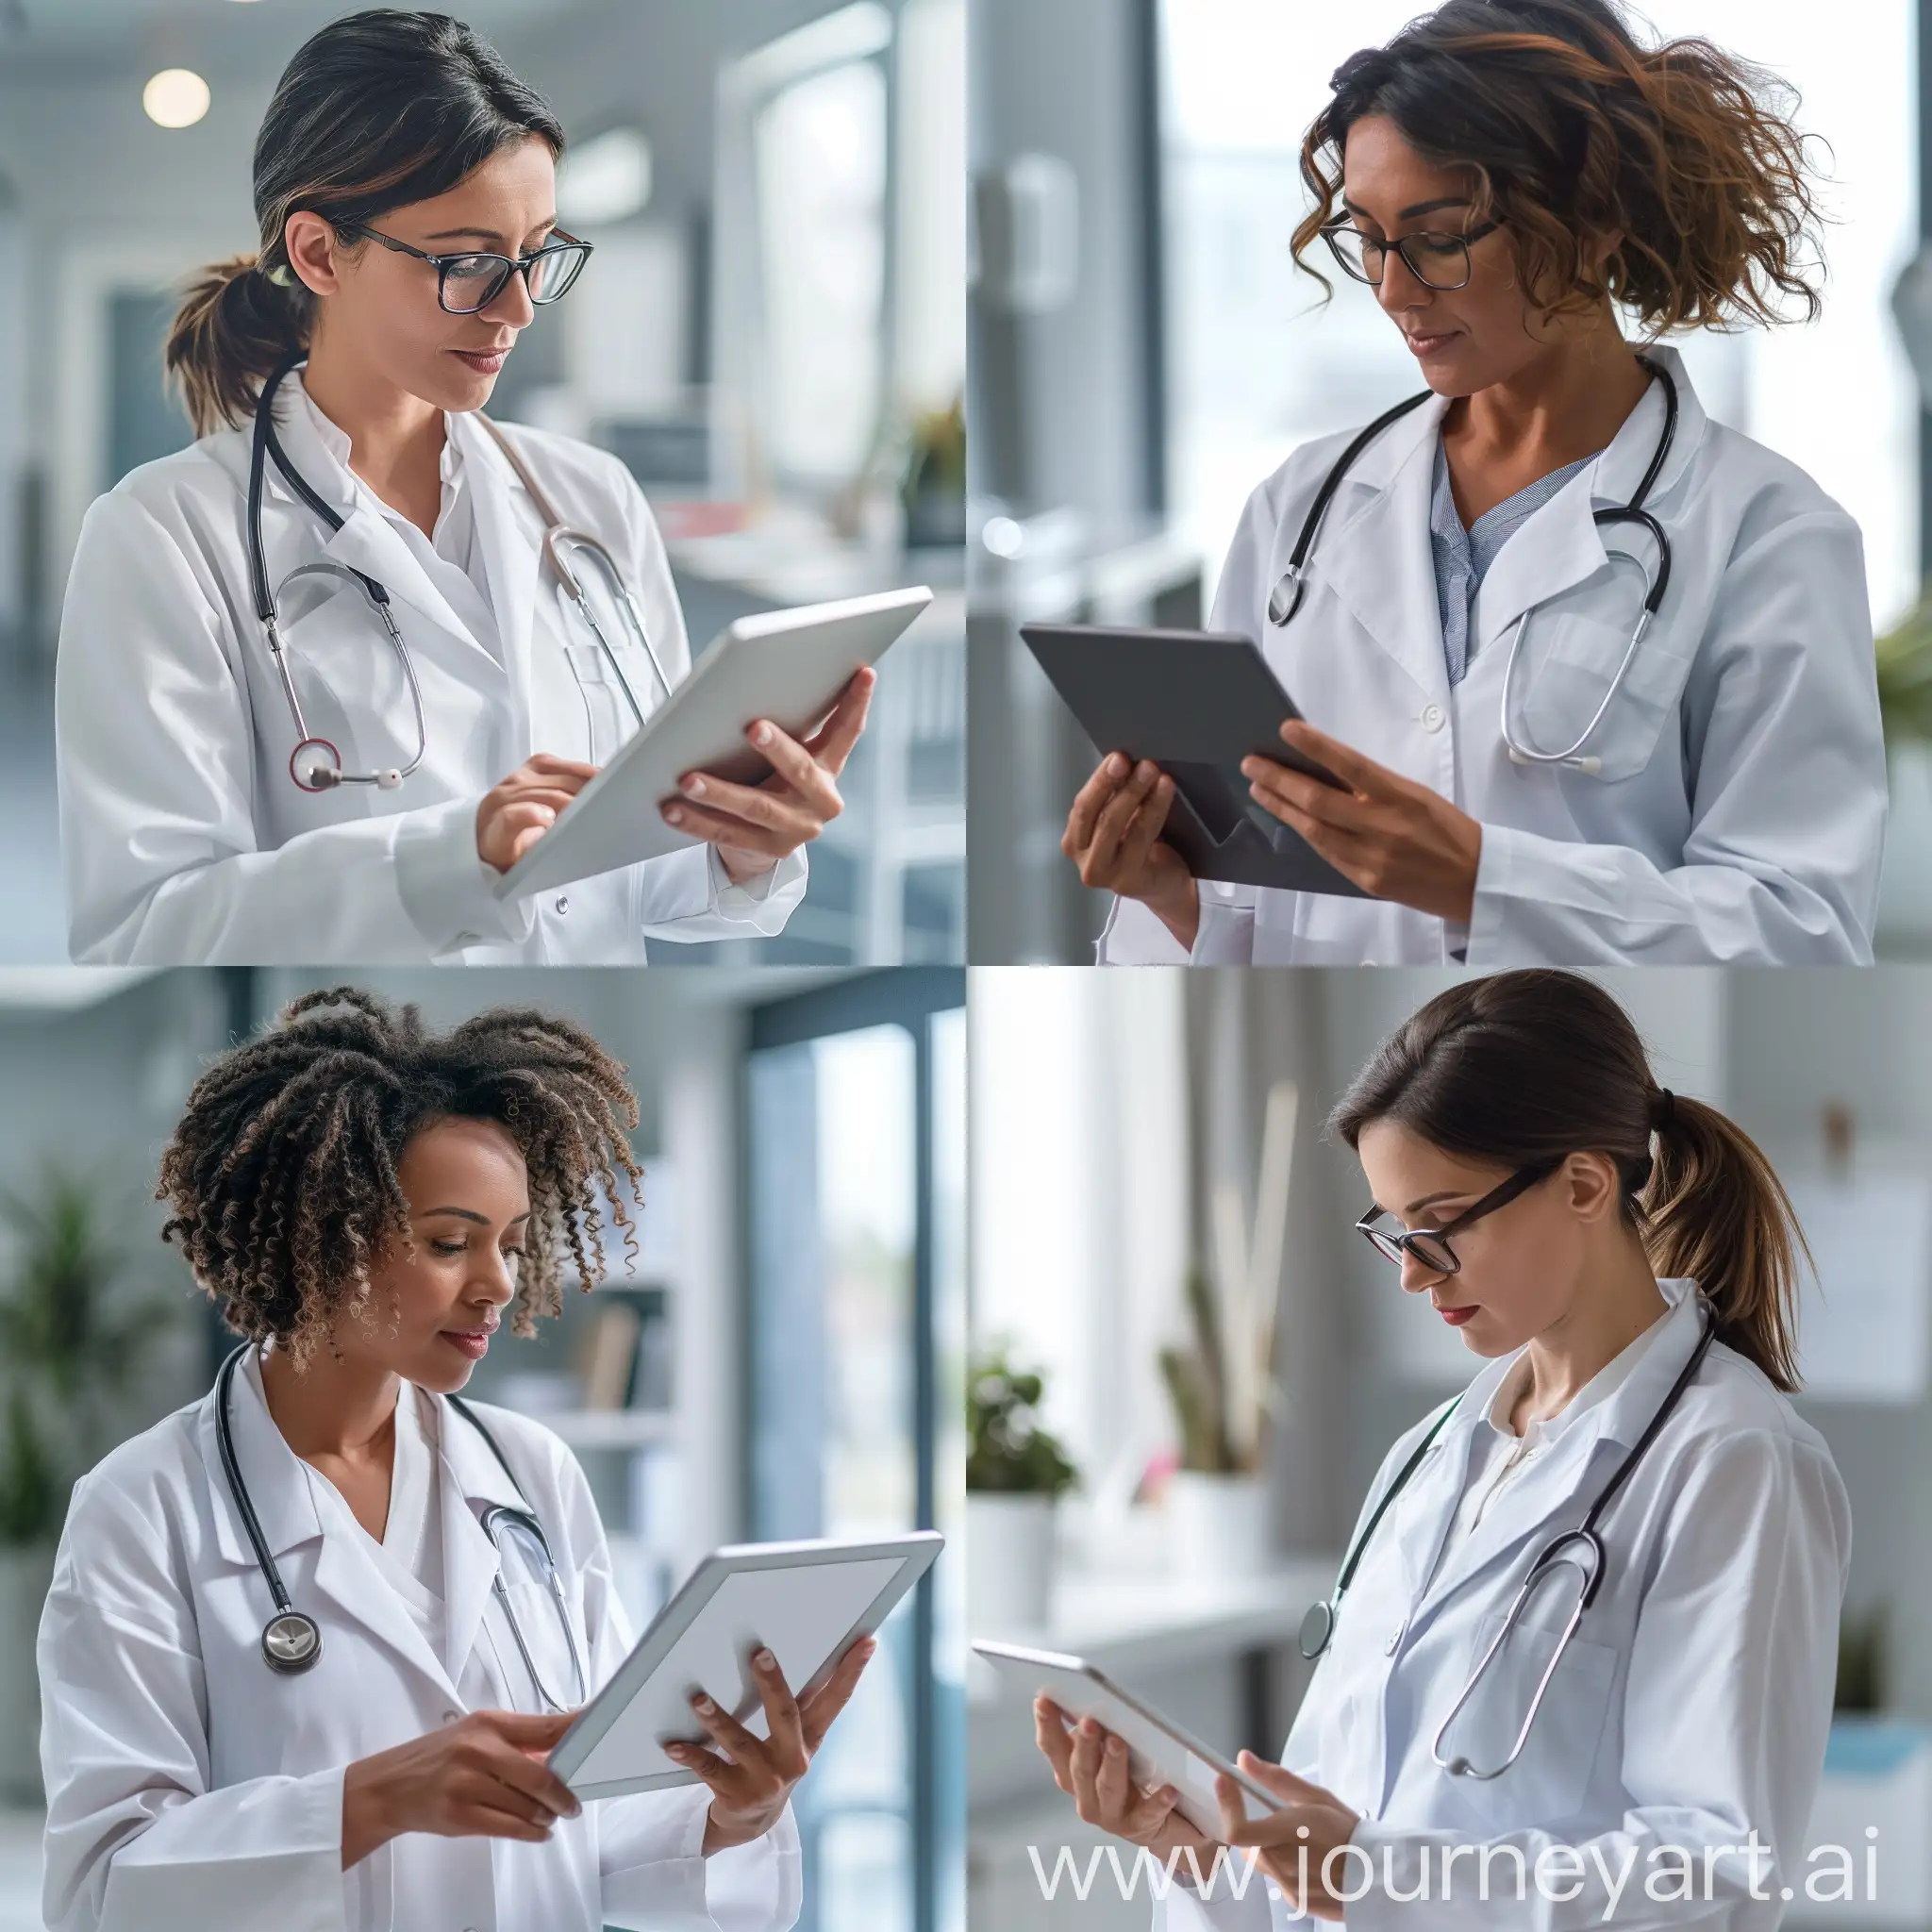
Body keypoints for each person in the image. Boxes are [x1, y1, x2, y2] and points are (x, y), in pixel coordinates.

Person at [1070, 0, 1885, 968]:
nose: (1391, 288)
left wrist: (1479, 880)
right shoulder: (1299, 508)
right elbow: (1260, 910)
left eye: (1437, 236)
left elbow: (1802, 931)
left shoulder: (1767, 534)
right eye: (1365, 235)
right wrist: (1174, 897)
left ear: (1591, 220)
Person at [39, 988, 871, 1932]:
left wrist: (731, 1811)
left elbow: (593, 1823)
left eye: (512, 1244)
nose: (499, 1284)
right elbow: (101, 1892)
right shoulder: (142, 1508)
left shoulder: (530, 1472)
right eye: (449, 1241)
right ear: (324, 1232)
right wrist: (367, 1800)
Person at [1031, 969, 1849, 1928]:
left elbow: (1714, 1870)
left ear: (1582, 1182)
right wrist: (1204, 1856)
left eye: (1441, 1224)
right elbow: (1344, 1837)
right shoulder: (1426, 1457)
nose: (1413, 1272)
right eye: (1394, 1230)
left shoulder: (1733, 1458)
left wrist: (1374, 1877)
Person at [55, 8, 873, 965]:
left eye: (534, 255)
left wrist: (739, 841)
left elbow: (639, 873)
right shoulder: (163, 535)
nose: (517, 308)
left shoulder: (590, 502)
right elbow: (141, 928)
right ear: (318, 252)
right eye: (468, 262)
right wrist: (452, 860)